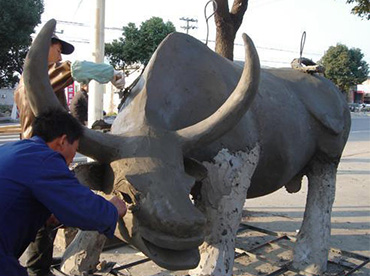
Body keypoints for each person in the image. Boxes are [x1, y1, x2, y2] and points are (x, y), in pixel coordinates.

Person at [13, 33, 125, 276]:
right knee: (49, 214)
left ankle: (39, 263)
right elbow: (75, 68)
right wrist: (112, 75)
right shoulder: (41, 76)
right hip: (45, 152)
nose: (60, 56)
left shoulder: (20, 88)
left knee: (41, 215)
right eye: (57, 49)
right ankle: (38, 268)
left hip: (32, 150)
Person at [0, 110, 127, 276]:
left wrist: (43, 215)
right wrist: (112, 209)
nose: (73, 158)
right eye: (75, 149)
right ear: (62, 141)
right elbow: (83, 207)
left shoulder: (12, 149)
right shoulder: (45, 160)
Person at [14, 33, 125, 138]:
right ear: (45, 48)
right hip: (42, 148)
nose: (60, 58)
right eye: (58, 51)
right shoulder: (37, 74)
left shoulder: (26, 81)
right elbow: (75, 69)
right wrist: (111, 73)